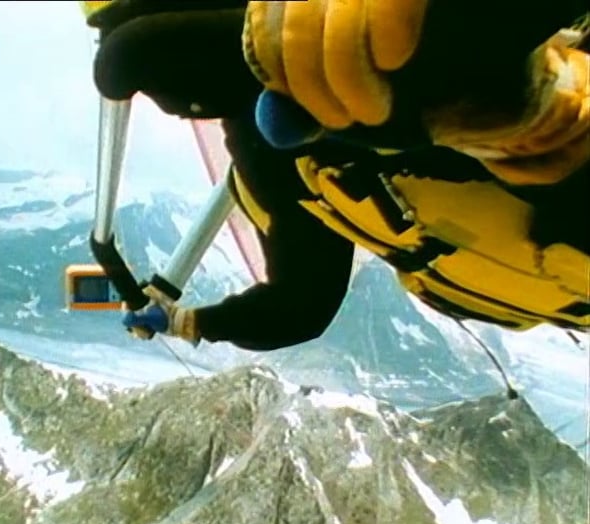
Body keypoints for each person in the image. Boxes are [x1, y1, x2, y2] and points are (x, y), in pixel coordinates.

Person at [84, 0, 590, 351]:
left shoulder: (356, 51)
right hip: (518, 267)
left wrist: (540, 111)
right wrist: (191, 322)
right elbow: (299, 305)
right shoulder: (271, 148)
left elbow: (300, 306)